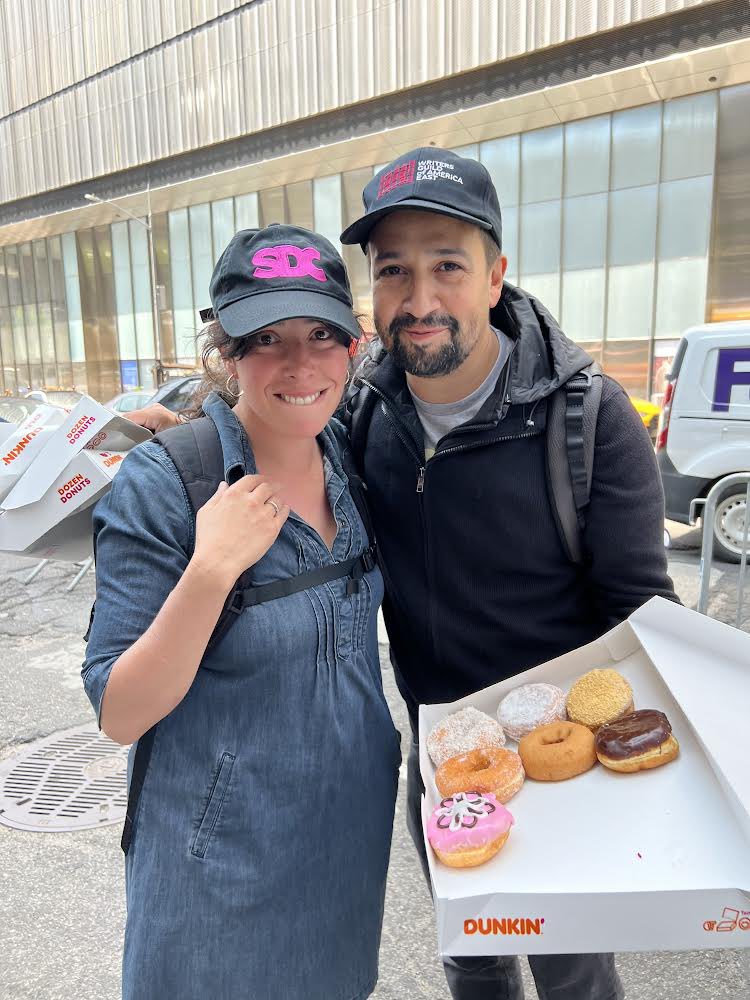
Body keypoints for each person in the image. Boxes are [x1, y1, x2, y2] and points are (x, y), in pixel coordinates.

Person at [335, 148, 678, 1000]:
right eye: (393, 271)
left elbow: (643, 614)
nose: (419, 300)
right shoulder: (364, 410)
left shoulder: (587, 416)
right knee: (474, 961)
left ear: (495, 276)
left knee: (573, 975)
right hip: (443, 756)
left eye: (448, 265)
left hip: (564, 762)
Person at [82, 224, 401, 1000]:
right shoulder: (169, 484)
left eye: (321, 334)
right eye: (266, 339)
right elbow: (120, 711)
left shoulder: (351, 457)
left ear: (353, 345)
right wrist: (210, 570)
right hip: (216, 879)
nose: (299, 364)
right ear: (228, 355)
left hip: (345, 853)